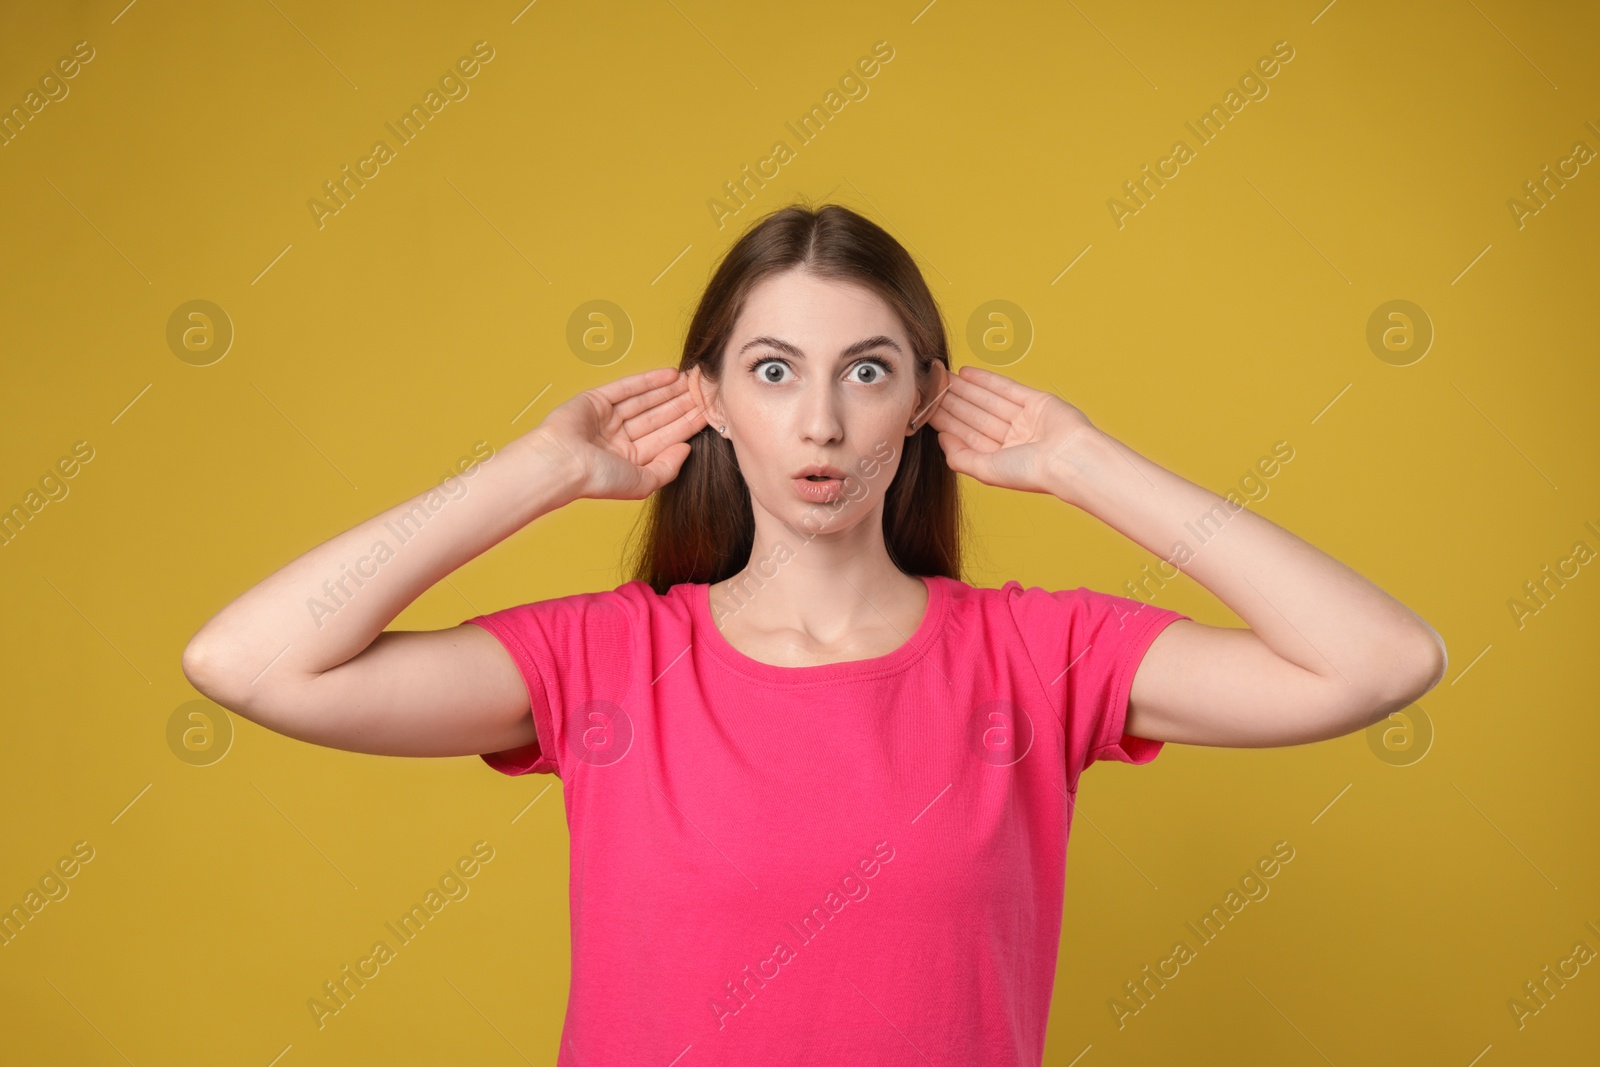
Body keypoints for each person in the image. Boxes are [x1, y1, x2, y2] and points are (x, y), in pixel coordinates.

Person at [181, 202, 1447, 1064]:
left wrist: (1082, 462)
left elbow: (1381, 659)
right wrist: (537, 473)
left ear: (923, 400)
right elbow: (246, 660)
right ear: (714, 400)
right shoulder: (607, 663)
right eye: (775, 371)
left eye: (869, 369)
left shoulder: (1037, 660)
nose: (824, 425)